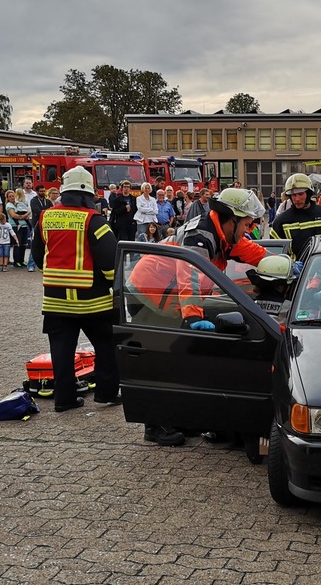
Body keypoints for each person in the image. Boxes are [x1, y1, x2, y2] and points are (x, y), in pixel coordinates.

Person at [127, 187, 269, 446]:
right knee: (158, 360)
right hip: (150, 294)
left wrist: (279, 263)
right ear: (232, 218)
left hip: (169, 297)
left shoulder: (223, 233)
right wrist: (193, 317)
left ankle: (177, 418)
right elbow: (189, 274)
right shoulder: (201, 235)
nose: (249, 229)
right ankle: (154, 425)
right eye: (246, 224)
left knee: (179, 360)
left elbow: (251, 250)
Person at [30, 166, 121, 414]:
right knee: (106, 345)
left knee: (61, 350)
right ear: (88, 193)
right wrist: (114, 284)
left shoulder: (45, 217)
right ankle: (106, 393)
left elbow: (38, 255)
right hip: (94, 301)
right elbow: (110, 259)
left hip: (55, 300)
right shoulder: (94, 220)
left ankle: (64, 399)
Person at [270, 173, 321, 259]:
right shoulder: (280, 222)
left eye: (300, 194)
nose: (297, 199)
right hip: (296, 271)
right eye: (294, 195)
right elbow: (275, 255)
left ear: (308, 194)